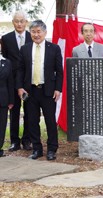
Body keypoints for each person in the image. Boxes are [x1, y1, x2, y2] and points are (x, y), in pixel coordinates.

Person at [16, 20, 63, 160]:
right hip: (29, 91)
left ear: (44, 32)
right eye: (33, 32)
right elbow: (20, 70)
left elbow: (59, 71)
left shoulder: (53, 48)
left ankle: (52, 149)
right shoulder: (25, 48)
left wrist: (58, 89)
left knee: (50, 120)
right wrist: (19, 87)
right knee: (32, 120)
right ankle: (37, 149)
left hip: (47, 90)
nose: (36, 35)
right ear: (30, 33)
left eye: (39, 32)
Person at [1, 10, 32, 151]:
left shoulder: (33, 37)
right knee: (14, 112)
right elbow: (6, 60)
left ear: (26, 22)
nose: (19, 24)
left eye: (22, 21)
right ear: (13, 22)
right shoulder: (6, 39)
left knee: (29, 111)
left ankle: (27, 140)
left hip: (29, 81)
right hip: (12, 82)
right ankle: (14, 141)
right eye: (17, 21)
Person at [0, 40, 14, 157]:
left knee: (2, 124)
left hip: (3, 98)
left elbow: (10, 82)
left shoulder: (7, 62)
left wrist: (11, 100)